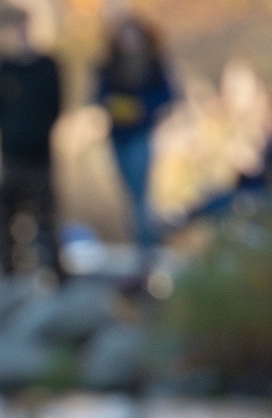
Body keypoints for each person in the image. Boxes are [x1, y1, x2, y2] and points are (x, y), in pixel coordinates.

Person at [0, 3, 64, 283]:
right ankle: (8, 265)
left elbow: (55, 106)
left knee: (46, 211)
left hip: (39, 151)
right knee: (8, 212)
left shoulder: (47, 66)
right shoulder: (4, 67)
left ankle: (53, 265)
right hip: (11, 151)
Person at [97, 15, 176, 254]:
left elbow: (167, 95)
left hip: (141, 134)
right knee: (129, 193)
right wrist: (114, 105)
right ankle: (142, 243)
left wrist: (143, 107)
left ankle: (147, 245)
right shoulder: (110, 65)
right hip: (118, 136)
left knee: (140, 192)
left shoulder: (153, 64)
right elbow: (99, 95)